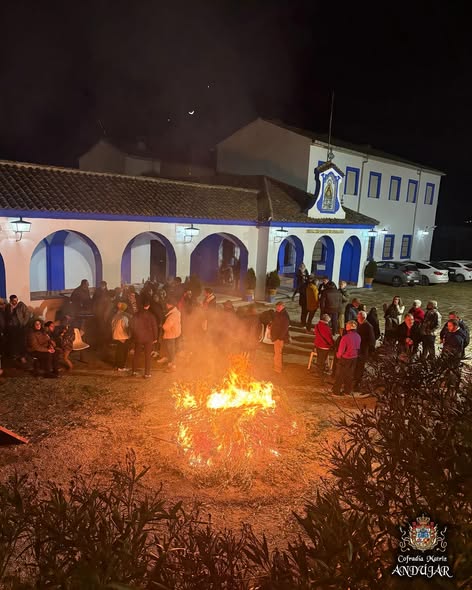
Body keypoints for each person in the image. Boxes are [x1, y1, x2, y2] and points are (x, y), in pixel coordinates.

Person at [331, 320, 360, 397]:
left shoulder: (345, 338)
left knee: (340, 375)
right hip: (354, 358)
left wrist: (338, 355)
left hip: (345, 358)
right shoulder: (358, 336)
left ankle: (336, 391)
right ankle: (347, 391)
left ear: (348, 327)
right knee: (349, 375)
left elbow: (341, 350)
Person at [131, 298, 158, 378]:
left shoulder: (136, 315)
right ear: (148, 306)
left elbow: (132, 326)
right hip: (148, 338)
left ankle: (134, 371)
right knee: (147, 356)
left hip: (139, 337)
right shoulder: (151, 316)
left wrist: (134, 336)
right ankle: (147, 373)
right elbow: (154, 327)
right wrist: (155, 338)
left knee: (136, 354)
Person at [4, 294, 31, 363]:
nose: (15, 301)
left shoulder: (21, 305)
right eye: (14, 300)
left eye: (16, 300)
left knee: (21, 342)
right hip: (12, 328)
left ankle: (22, 357)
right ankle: (15, 356)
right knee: (13, 342)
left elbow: (27, 314)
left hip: (20, 327)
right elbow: (6, 317)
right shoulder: (8, 307)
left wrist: (23, 323)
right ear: (11, 300)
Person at [354, 311, 376, 391]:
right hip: (359, 349)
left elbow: (372, 340)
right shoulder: (361, 325)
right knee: (358, 366)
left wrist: (370, 350)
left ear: (362, 318)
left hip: (363, 350)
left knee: (360, 367)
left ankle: (358, 384)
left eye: (358, 317)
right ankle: (356, 382)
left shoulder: (368, 326)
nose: (357, 318)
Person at [158, 298, 182, 372]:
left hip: (170, 334)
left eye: (167, 304)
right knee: (172, 350)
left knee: (171, 351)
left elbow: (166, 326)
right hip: (175, 333)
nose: (166, 305)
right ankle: (170, 364)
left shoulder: (172, 315)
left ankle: (172, 367)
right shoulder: (177, 312)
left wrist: (162, 326)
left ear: (169, 304)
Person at [270, 301, 290, 373]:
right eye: (277, 307)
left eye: (279, 306)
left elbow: (285, 328)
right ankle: (276, 366)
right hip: (276, 337)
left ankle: (278, 368)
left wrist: (280, 338)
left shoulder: (285, 316)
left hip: (279, 338)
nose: (277, 308)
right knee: (277, 353)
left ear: (283, 307)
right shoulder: (277, 313)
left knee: (278, 354)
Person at [111, 302, 131, 371]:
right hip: (123, 336)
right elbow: (126, 327)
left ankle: (117, 365)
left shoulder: (115, 316)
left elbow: (112, 325)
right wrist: (129, 334)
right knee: (123, 351)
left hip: (116, 335)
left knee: (118, 350)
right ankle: (121, 366)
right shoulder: (124, 317)